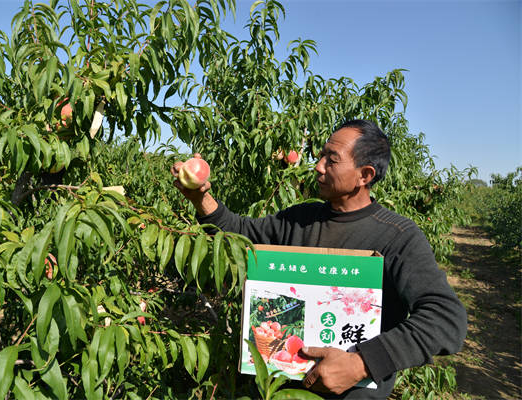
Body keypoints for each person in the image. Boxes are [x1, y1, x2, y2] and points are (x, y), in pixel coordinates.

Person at [171, 119, 467, 399]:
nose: (317, 166)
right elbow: (239, 235)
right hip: (278, 388)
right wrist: (200, 198)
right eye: (321, 155)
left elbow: (445, 318)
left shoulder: (397, 236)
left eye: (331, 159)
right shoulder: (300, 219)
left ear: (364, 176)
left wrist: (362, 363)